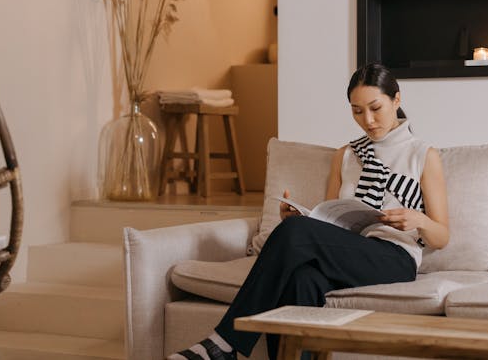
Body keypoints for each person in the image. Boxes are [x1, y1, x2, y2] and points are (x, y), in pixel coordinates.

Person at [168, 62, 449, 360]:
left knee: (295, 234)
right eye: (356, 111)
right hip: (345, 251)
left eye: (375, 108)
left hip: (393, 257)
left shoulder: (423, 155)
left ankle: (224, 343)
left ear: (397, 99)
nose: (367, 120)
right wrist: (302, 220)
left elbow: (442, 235)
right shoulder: (346, 155)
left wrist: (418, 219)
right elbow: (328, 218)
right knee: (302, 277)